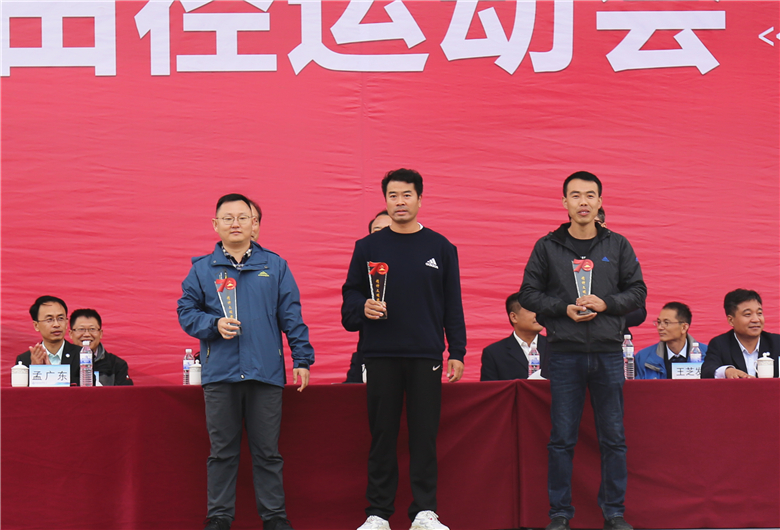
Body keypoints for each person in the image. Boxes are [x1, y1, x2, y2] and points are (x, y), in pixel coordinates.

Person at [177, 193, 314, 530]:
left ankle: (275, 518)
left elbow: (291, 315)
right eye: (228, 218)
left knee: (267, 452)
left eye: (242, 217)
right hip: (220, 375)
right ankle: (219, 518)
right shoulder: (201, 270)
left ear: (255, 224)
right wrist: (213, 325)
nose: (235, 223)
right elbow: (186, 312)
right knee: (222, 452)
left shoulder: (276, 266)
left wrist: (302, 358)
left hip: (265, 372)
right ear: (215, 225)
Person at [519, 171, 646, 530]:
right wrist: (563, 309)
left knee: (614, 438)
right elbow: (528, 293)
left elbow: (638, 292)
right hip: (564, 352)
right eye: (575, 195)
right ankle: (560, 514)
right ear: (564, 202)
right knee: (561, 438)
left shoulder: (617, 245)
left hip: (608, 352)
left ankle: (614, 513)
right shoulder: (547, 246)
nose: (583, 202)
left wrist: (606, 304)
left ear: (600, 201)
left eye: (590, 195)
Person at [342, 169, 466, 530]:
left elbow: (452, 304)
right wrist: (362, 306)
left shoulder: (440, 248)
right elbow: (350, 298)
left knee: (424, 434)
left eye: (407, 195)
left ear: (420, 199)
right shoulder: (368, 247)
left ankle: (425, 511)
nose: (400, 202)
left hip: (426, 353)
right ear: (385, 200)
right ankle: (378, 513)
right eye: (393, 195)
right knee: (382, 434)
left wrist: (457, 351)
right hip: (380, 353)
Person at [344, 210, 393, 383]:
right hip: (371, 356)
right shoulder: (364, 270)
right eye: (376, 231)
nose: (382, 236)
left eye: (388, 230)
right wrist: (364, 308)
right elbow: (348, 320)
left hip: (412, 356)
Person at [701, 289, 779, 379]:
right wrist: (727, 371)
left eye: (759, 313)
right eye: (748, 314)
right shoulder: (720, 344)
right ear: (731, 320)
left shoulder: (777, 342)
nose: (756, 319)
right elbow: (707, 370)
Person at [480, 292, 549, 381]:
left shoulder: (555, 347)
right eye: (531, 310)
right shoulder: (494, 353)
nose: (539, 314)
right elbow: (490, 388)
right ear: (514, 317)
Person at [16, 296, 81, 385]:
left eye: (60, 318)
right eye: (49, 319)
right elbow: (21, 392)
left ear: (66, 323)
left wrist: (50, 374)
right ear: (36, 325)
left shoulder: (82, 356)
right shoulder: (25, 360)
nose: (56, 324)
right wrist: (35, 370)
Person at [635, 302, 707, 380]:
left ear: (684, 327)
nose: (660, 327)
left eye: (666, 323)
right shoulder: (643, 358)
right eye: (659, 322)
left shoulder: (707, 354)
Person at [68, 308, 133, 385]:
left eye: (92, 329)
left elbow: (124, 392)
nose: (87, 334)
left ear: (100, 333)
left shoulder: (117, 365)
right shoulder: (62, 361)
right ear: (71, 334)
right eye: (81, 329)